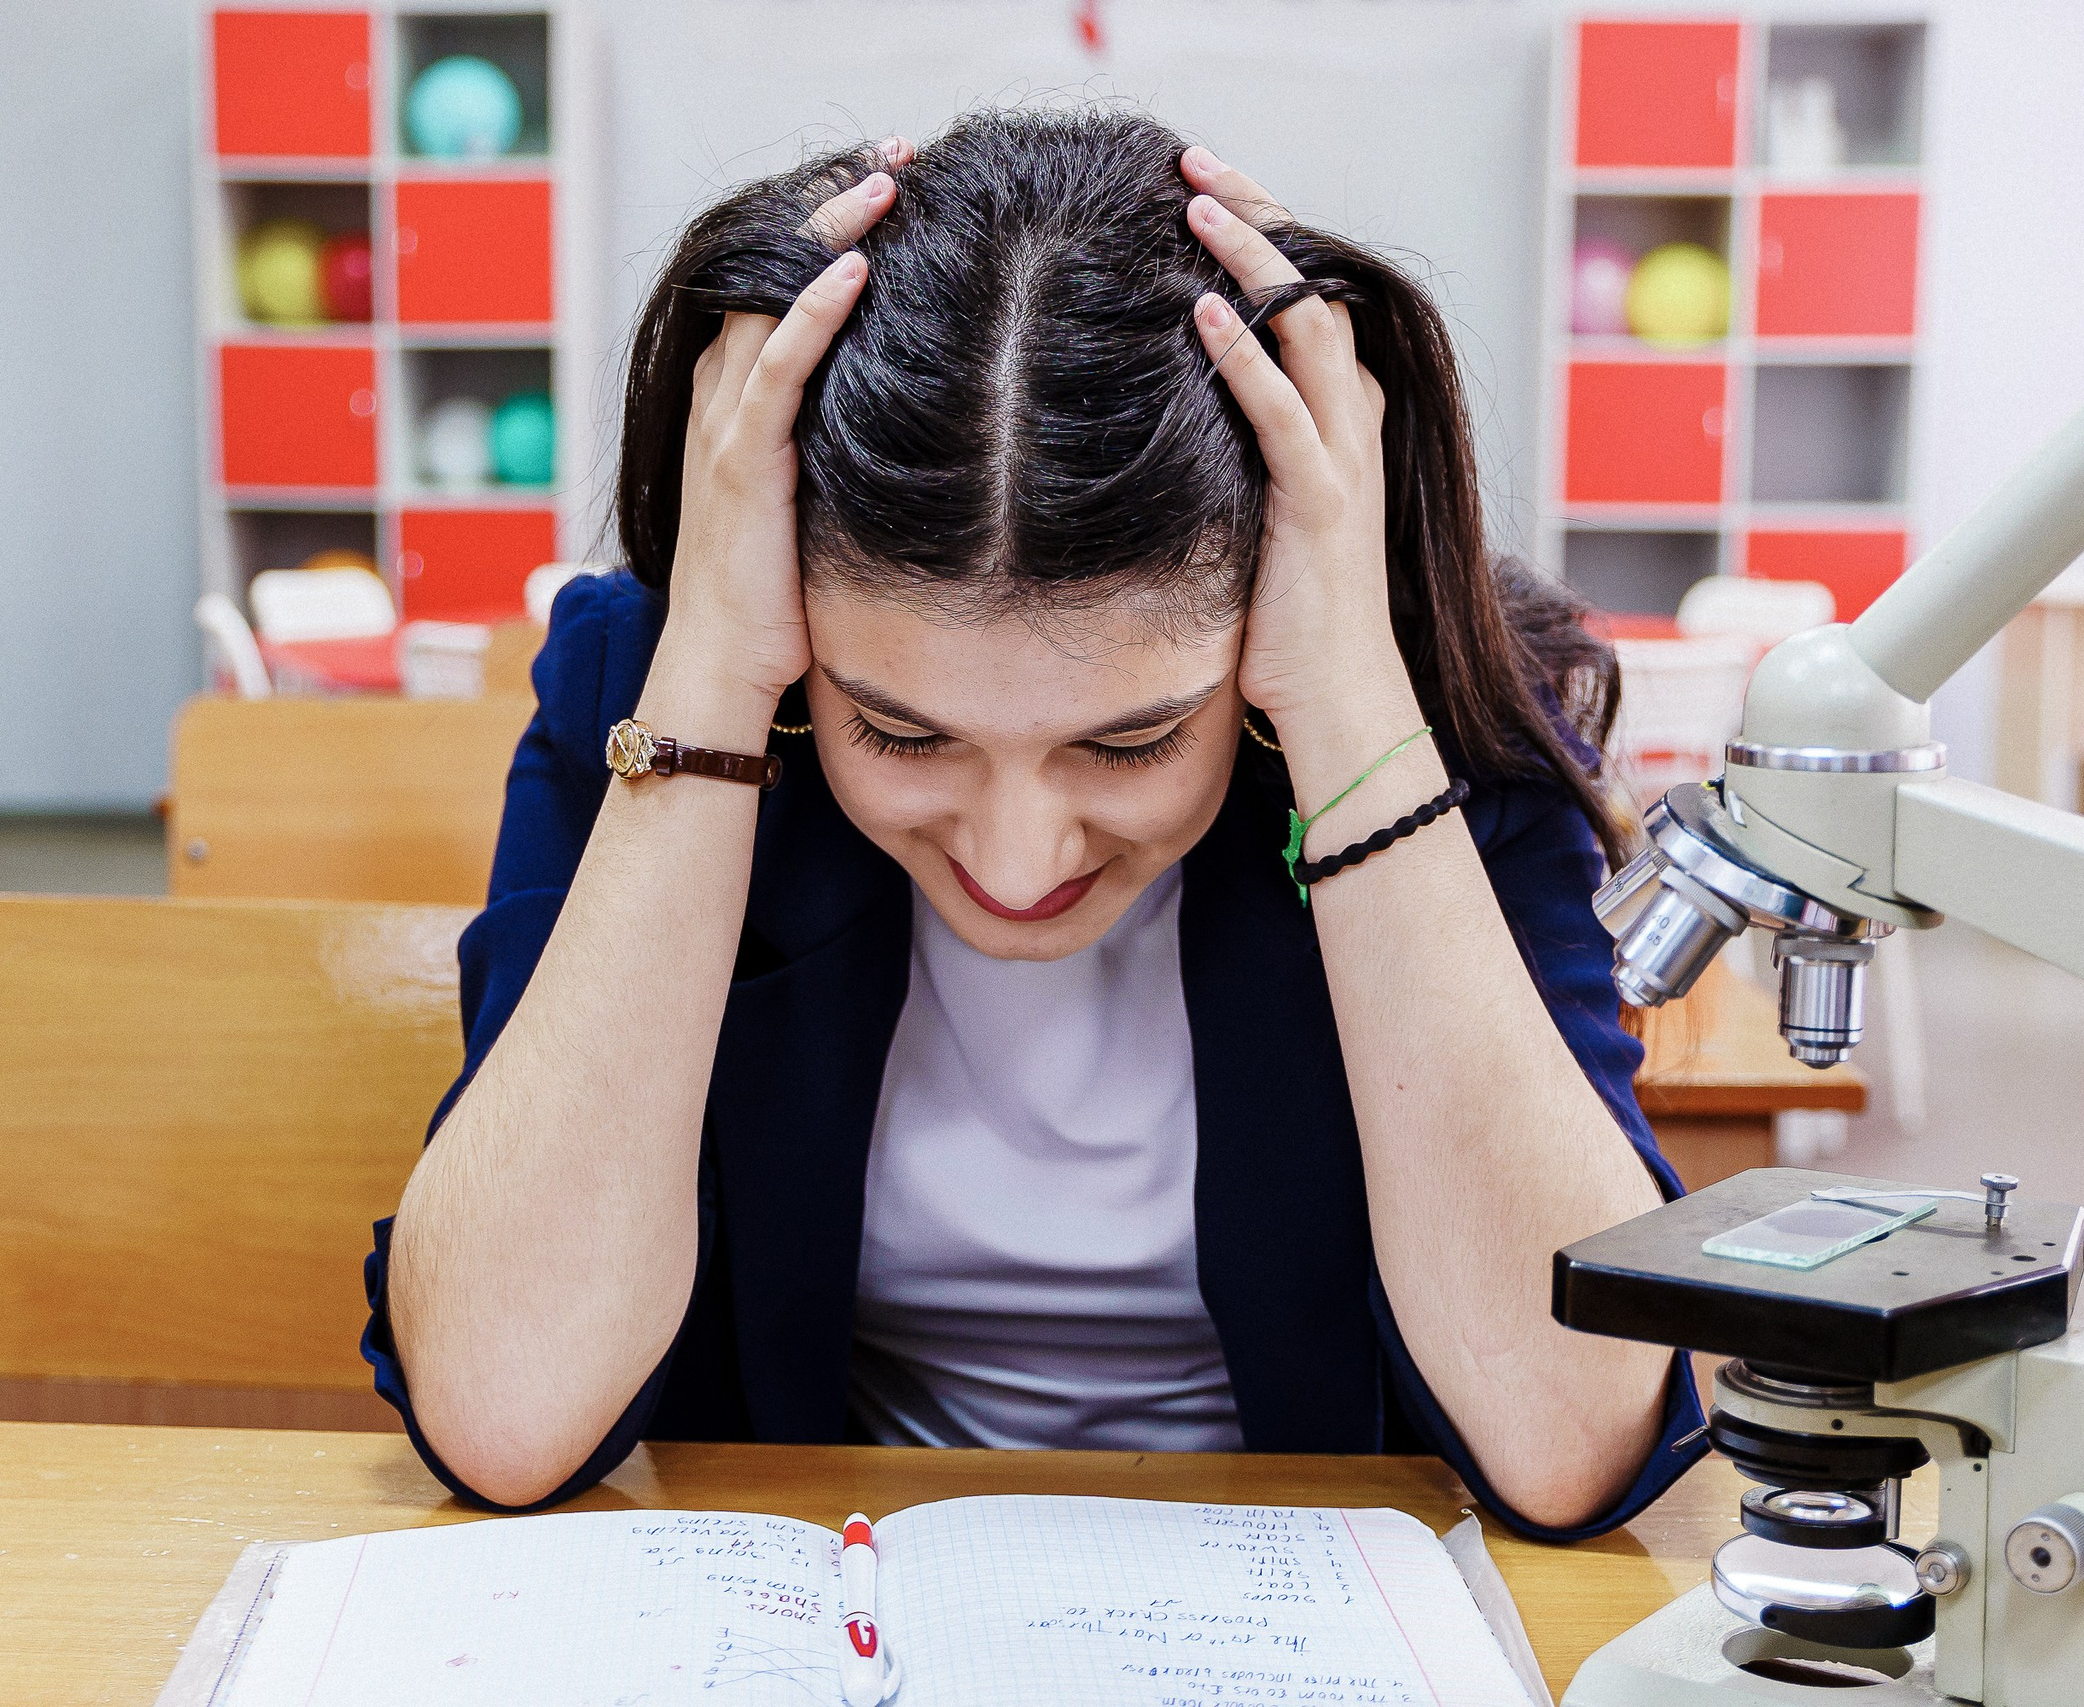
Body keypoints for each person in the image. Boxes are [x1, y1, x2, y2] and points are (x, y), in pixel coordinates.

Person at [364, 107, 1704, 1539]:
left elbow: (1569, 1440)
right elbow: (504, 1413)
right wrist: (712, 674)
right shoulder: (657, 691)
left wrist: (1349, 693)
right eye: (900, 731)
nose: (1017, 864)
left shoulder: (1431, 712)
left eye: (1131, 741)